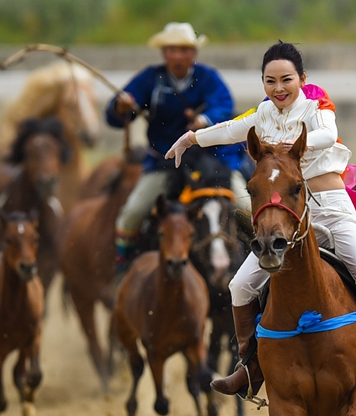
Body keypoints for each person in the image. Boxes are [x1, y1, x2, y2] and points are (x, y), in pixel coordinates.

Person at [166, 41, 356, 396]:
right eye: (270, 81)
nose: (278, 88)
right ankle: (249, 364)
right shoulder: (264, 114)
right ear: (263, 83)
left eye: (286, 80)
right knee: (239, 286)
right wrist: (190, 138)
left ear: (301, 79)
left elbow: (328, 134)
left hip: (329, 205)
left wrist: (292, 146)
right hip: (286, 212)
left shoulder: (316, 103)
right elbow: (231, 129)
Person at [105, 22, 250, 273]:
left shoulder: (208, 77)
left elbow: (224, 106)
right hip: (165, 161)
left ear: (193, 53)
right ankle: (123, 268)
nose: (178, 56)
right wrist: (121, 107)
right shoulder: (150, 78)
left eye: (184, 50)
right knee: (132, 213)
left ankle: (262, 266)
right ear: (164, 53)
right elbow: (115, 114)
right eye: (172, 50)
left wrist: (203, 122)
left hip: (214, 162)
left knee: (250, 209)